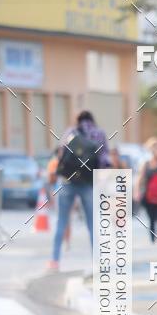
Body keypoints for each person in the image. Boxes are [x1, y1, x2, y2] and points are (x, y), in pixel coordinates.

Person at [47, 110, 109, 271]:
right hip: (88, 183)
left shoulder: (70, 132)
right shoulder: (99, 133)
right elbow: (104, 160)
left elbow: (60, 155)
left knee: (61, 221)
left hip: (67, 181)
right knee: (92, 224)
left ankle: (54, 261)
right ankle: (98, 262)